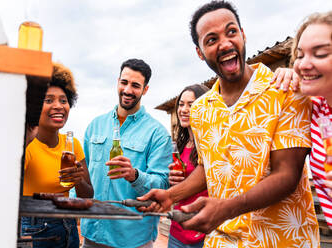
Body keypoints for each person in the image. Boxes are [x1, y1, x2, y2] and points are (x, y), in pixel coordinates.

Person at [138, 1, 319, 247]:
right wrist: (171, 196)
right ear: (200, 52)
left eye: (231, 32)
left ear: (243, 35)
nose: (225, 43)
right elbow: (208, 168)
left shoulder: (284, 90)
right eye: (211, 40)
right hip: (221, 241)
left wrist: (225, 209)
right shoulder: (201, 110)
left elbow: (287, 174)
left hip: (282, 240)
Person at [73, 58, 171, 248]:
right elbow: (83, 177)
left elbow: (161, 186)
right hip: (92, 234)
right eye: (124, 83)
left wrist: (134, 175)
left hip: (133, 239)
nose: (127, 90)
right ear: (118, 82)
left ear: (145, 90)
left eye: (135, 85)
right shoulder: (95, 126)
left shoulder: (158, 134)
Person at [21, 62, 93, 248]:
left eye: (63, 100)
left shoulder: (72, 145)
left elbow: (88, 195)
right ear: (35, 106)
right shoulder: (27, 145)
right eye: (48, 100)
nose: (58, 106)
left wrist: (78, 181)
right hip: (33, 229)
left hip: (67, 226)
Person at [275, 11, 332, 229]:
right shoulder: (317, 108)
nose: (304, 64)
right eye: (300, 55)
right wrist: (289, 74)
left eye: (320, 54)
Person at [168, 84, 209, 248]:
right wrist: (171, 179)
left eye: (191, 105)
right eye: (181, 104)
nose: (183, 109)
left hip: (204, 231)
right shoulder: (180, 144)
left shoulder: (211, 143)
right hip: (177, 230)